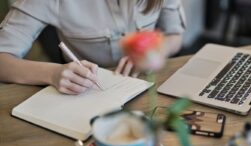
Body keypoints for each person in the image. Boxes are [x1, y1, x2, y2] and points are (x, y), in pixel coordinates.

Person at [0, 0, 186, 95]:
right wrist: (52, 73)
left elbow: (175, 35)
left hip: (149, 87)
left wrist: (156, 51)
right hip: (86, 94)